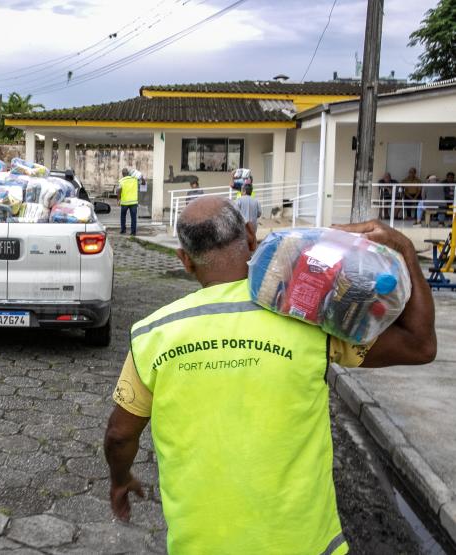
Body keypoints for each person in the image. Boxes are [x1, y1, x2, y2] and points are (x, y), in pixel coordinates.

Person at [104, 196, 435, 555]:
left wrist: (120, 481)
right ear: (250, 236)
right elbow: (419, 345)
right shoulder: (310, 318)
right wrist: (403, 250)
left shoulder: (153, 333)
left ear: (185, 261)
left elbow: (120, 436)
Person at [117, 168, 139, 235]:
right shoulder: (135, 179)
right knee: (133, 218)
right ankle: (133, 232)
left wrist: (118, 199)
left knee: (123, 216)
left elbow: (119, 190)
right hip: (133, 202)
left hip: (124, 203)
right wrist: (141, 176)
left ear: (122, 174)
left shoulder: (121, 181)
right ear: (128, 173)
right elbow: (143, 183)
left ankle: (123, 230)